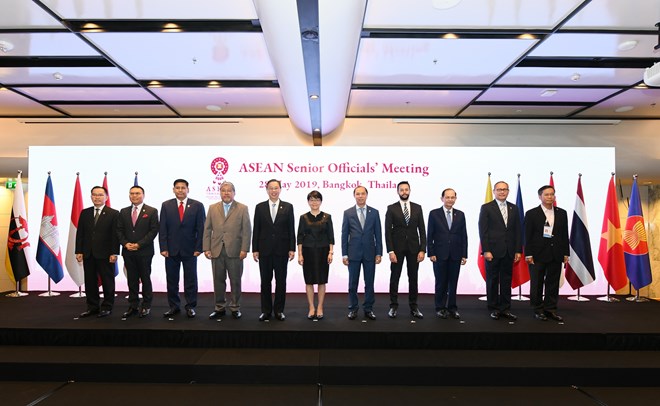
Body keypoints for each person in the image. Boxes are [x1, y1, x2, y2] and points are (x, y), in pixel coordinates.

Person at [203, 181, 251, 319]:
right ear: (220, 192)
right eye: (223, 190)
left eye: (229, 190)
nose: (226, 193)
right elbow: (207, 229)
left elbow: (247, 231)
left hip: (235, 251)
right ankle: (219, 307)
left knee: (235, 280)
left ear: (234, 193)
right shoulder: (212, 208)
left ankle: (235, 307)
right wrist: (206, 248)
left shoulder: (242, 208)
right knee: (218, 280)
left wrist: (244, 249)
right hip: (216, 250)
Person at [159, 179, 206, 318]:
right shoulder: (166, 205)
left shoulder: (197, 205)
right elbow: (163, 228)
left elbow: (201, 228)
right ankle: (174, 306)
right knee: (172, 280)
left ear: (188, 189)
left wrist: (199, 248)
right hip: (171, 250)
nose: (180, 190)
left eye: (183, 188)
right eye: (177, 188)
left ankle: (190, 306)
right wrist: (163, 247)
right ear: (173, 189)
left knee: (190, 279)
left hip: (190, 250)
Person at [524, 185, 569, 322]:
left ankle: (550, 309)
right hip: (537, 255)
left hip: (556, 254)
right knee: (537, 283)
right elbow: (528, 235)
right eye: (546, 195)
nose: (550, 197)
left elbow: (564, 234)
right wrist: (528, 254)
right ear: (540, 197)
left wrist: (566, 253)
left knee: (553, 283)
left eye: (552, 194)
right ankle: (537, 309)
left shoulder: (562, 213)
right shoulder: (531, 213)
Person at [252, 179, 295, 321]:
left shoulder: (288, 207)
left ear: (280, 189)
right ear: (267, 190)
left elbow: (291, 229)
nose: (274, 191)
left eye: (276, 188)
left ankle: (279, 310)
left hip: (282, 251)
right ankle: (266, 310)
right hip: (264, 251)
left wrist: (292, 248)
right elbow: (256, 229)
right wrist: (255, 249)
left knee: (281, 281)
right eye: (271, 188)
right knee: (265, 281)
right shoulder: (260, 207)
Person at [478, 181, 522, 321]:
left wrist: (518, 250)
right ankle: (494, 308)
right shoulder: (486, 208)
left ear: (508, 191)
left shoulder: (514, 208)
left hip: (509, 251)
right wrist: (486, 250)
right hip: (493, 251)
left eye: (505, 189)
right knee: (492, 280)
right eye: (499, 190)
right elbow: (483, 231)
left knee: (506, 280)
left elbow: (517, 231)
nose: (502, 192)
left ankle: (505, 308)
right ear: (494, 191)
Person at [75, 186, 120, 318]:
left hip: (106, 254)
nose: (97, 197)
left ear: (106, 197)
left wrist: (114, 253)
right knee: (90, 281)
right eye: (94, 195)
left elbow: (115, 235)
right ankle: (92, 307)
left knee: (107, 281)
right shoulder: (85, 212)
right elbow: (80, 233)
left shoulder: (113, 213)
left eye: (100, 195)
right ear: (91, 197)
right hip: (88, 253)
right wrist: (79, 250)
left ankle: (107, 306)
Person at [384, 181, 426, 319]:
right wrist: (390, 251)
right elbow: (387, 232)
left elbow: (422, 230)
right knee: (394, 278)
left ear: (410, 191)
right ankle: (393, 307)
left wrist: (422, 250)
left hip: (414, 249)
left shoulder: (418, 208)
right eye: (401, 190)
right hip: (397, 249)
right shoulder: (391, 208)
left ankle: (414, 307)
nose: (404, 192)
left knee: (413, 278)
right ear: (397, 191)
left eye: (406, 189)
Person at [117, 185, 159, 319]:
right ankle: (133, 305)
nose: (134, 196)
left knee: (145, 279)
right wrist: (125, 243)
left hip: (144, 252)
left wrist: (139, 244)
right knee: (132, 279)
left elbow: (153, 231)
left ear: (143, 195)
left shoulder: (152, 211)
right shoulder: (123, 211)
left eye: (137, 193)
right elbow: (119, 230)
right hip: (128, 251)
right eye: (132, 193)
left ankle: (146, 305)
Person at [341, 186, 382, 320]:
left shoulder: (374, 212)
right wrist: (344, 254)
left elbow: (378, 234)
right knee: (353, 284)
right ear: (354, 196)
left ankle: (368, 309)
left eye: (362, 194)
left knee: (369, 283)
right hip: (353, 253)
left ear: (366, 195)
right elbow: (344, 235)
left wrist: (379, 252)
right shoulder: (348, 213)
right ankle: (353, 308)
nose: (360, 196)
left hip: (370, 253)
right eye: (357, 194)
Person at [427, 188, 467, 319]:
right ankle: (440, 307)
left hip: (456, 254)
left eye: (452, 197)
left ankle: (452, 308)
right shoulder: (434, 214)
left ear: (455, 198)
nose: (450, 199)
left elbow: (463, 236)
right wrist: (431, 253)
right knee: (441, 282)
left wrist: (464, 254)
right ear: (442, 198)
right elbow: (430, 235)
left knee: (453, 283)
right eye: (447, 197)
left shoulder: (460, 214)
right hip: (439, 254)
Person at [297, 190, 334, 320]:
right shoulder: (303, 217)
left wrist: (331, 252)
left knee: (322, 281)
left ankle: (320, 307)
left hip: (323, 252)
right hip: (308, 252)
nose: (314, 202)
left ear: (321, 201)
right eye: (312, 200)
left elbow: (331, 237)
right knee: (309, 281)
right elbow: (300, 237)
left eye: (317, 200)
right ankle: (311, 307)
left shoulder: (327, 217)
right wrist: (300, 254)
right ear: (308, 202)